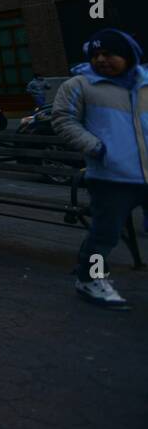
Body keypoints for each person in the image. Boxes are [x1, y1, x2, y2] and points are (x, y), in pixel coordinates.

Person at [51, 29, 148, 309]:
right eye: (95, 55)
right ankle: (89, 279)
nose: (101, 59)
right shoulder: (80, 85)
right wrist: (97, 148)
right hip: (110, 176)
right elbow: (63, 120)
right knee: (106, 234)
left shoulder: (144, 84)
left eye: (109, 53)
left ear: (128, 55)